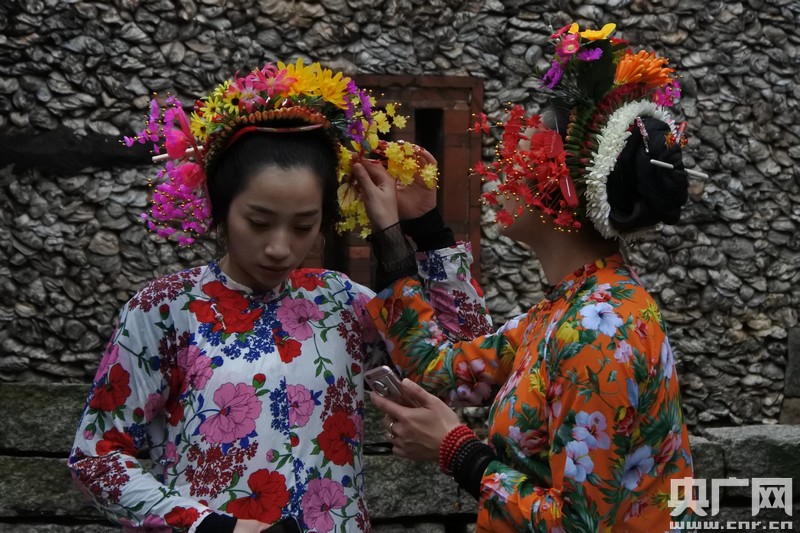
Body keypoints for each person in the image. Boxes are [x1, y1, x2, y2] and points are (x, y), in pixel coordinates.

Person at [68, 59, 491, 533]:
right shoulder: (166, 309)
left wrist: (420, 231)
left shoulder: (345, 303)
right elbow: (97, 456)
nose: (280, 246)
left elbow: (469, 373)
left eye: (304, 225)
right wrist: (209, 527)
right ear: (220, 207)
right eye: (259, 221)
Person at [358, 22, 699, 531]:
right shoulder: (570, 310)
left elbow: (578, 523)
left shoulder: (597, 331)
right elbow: (438, 368)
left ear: (561, 186)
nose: (505, 166)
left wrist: (457, 451)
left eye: (526, 152)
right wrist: (413, 229)